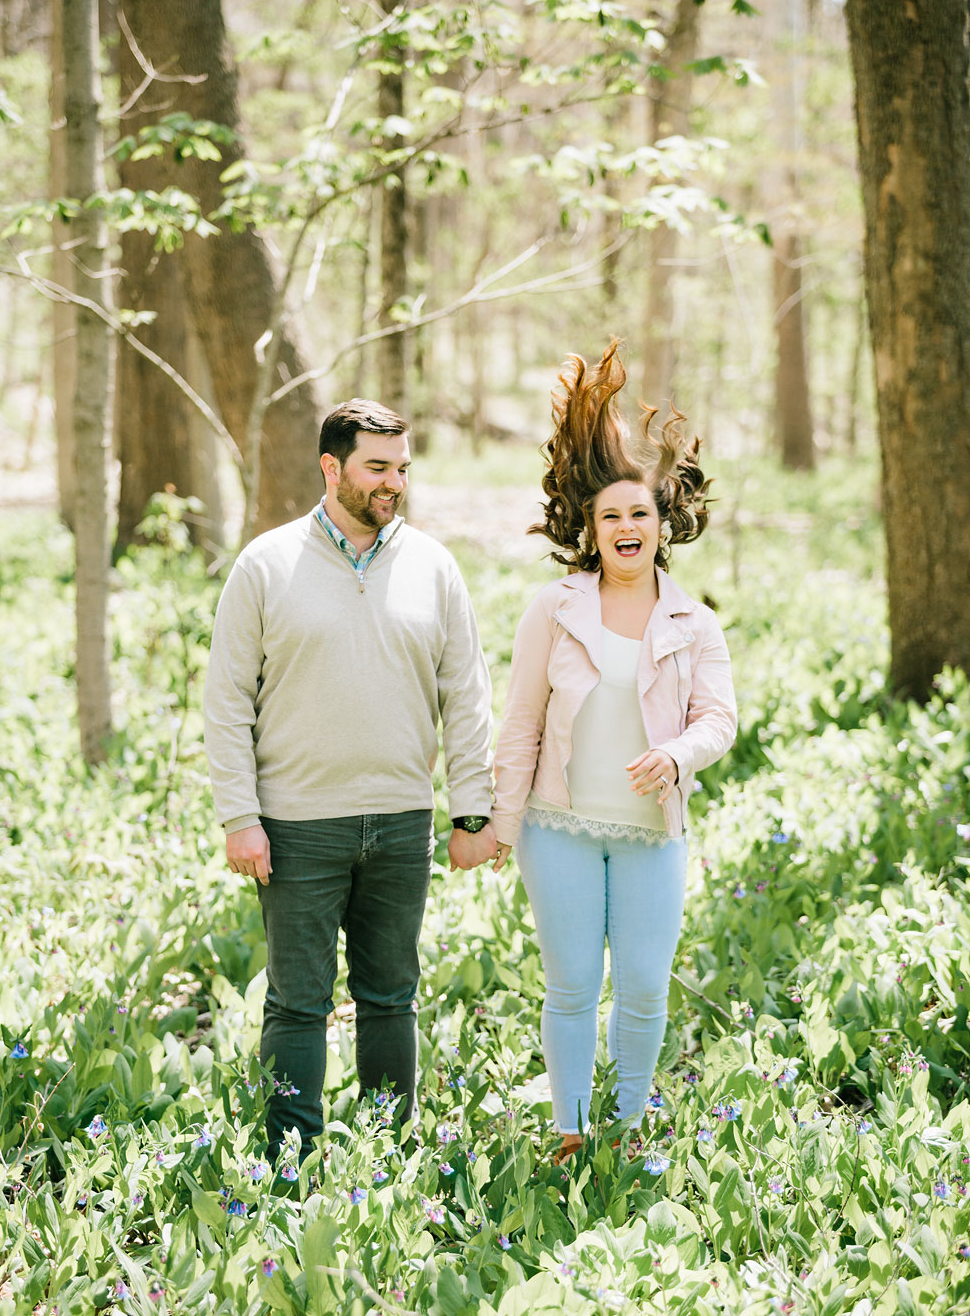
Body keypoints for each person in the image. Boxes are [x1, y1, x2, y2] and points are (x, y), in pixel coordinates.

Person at [204, 399, 496, 1160]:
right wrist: (240, 815)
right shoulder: (265, 565)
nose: (393, 483)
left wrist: (471, 813)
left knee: (390, 998)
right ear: (331, 468)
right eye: (377, 468)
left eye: (402, 468)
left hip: (403, 822)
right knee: (298, 1005)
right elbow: (227, 699)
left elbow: (466, 695)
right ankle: (288, 1165)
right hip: (297, 825)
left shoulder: (433, 566)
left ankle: (385, 1156)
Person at [491, 341, 736, 1161]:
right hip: (557, 828)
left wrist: (676, 755)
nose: (625, 527)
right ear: (589, 534)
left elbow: (718, 720)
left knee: (640, 987)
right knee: (570, 986)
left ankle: (626, 1128)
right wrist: (501, 818)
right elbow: (521, 721)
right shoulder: (551, 610)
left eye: (639, 514)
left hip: (649, 833)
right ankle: (570, 1129)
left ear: (663, 527)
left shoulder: (695, 623)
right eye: (610, 517)